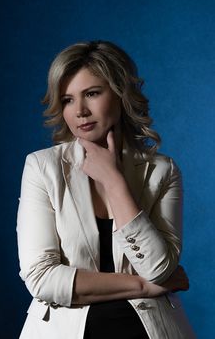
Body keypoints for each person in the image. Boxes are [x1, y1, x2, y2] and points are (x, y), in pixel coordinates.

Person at [17, 40, 196, 338]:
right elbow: (42, 278)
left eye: (92, 93)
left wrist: (114, 182)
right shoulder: (42, 168)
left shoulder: (163, 171)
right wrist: (141, 286)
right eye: (67, 100)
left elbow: (159, 268)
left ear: (120, 94)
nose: (80, 111)